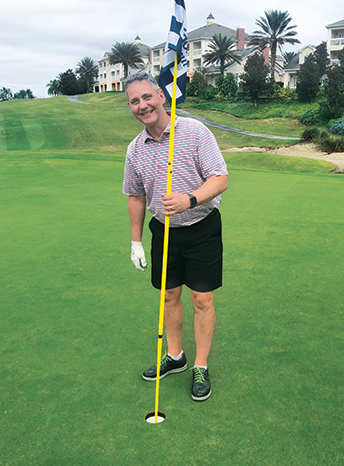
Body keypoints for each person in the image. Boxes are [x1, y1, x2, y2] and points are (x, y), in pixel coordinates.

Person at [122, 71, 228, 402]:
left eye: (147, 97)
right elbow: (136, 196)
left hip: (201, 226)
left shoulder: (195, 131)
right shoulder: (135, 149)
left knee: (201, 299)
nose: (142, 105)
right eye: (134, 101)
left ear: (162, 97)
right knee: (168, 295)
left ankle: (200, 365)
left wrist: (189, 199)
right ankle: (176, 356)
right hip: (163, 232)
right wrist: (136, 241)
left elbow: (220, 178)